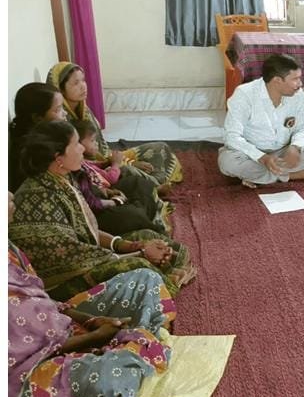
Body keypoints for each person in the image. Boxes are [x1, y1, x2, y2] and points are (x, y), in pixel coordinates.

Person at [9, 192, 176, 397]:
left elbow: (44, 303)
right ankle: (135, 347)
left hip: (59, 324)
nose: (10, 195)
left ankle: (135, 346)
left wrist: (91, 320)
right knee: (108, 375)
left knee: (144, 279)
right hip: (23, 374)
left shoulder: (8, 248)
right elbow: (23, 349)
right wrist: (96, 336)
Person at [9, 120, 195, 300]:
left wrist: (129, 245)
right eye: (75, 145)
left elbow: (87, 231)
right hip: (59, 285)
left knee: (150, 237)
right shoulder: (39, 198)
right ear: (59, 159)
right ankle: (165, 284)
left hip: (87, 258)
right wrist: (140, 254)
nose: (82, 148)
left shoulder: (63, 179)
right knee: (136, 264)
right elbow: (73, 261)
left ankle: (162, 272)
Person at [47, 61, 183, 189]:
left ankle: (153, 181)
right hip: (95, 172)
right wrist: (126, 163)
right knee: (127, 171)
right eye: (76, 83)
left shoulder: (85, 111)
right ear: (61, 89)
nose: (83, 86)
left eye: (83, 80)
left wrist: (123, 159)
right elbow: (86, 163)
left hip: (106, 160)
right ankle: (154, 185)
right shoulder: (63, 124)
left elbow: (102, 150)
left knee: (159, 148)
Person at [218, 54, 304, 188]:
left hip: (281, 152)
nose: (300, 84)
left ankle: (262, 176)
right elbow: (232, 136)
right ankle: (288, 176)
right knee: (228, 163)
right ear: (277, 81)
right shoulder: (244, 94)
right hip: (250, 155)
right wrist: (262, 157)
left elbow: (302, 129)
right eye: (295, 79)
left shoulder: (298, 95)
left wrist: (295, 147)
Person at [71, 118, 171, 235]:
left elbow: (95, 168)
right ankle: (148, 223)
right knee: (133, 213)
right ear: (58, 156)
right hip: (96, 212)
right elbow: (89, 202)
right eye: (75, 145)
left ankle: (144, 211)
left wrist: (108, 191)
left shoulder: (79, 162)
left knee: (139, 183)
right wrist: (114, 201)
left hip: (103, 192)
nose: (64, 114)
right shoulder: (70, 172)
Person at [9, 82, 67, 193]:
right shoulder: (34, 151)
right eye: (58, 109)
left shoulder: (44, 137)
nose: (65, 113)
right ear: (37, 118)